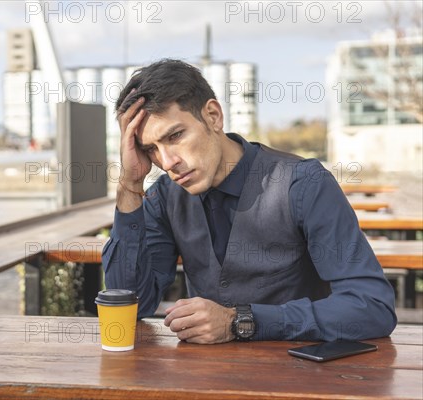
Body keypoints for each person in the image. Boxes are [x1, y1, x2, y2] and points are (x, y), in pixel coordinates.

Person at [102, 59, 396, 344]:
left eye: (175, 136)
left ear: (213, 116)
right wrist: (130, 186)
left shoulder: (304, 183)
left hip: (300, 379)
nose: (167, 161)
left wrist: (239, 321)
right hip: (204, 383)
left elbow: (372, 307)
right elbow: (133, 305)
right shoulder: (165, 196)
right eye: (150, 149)